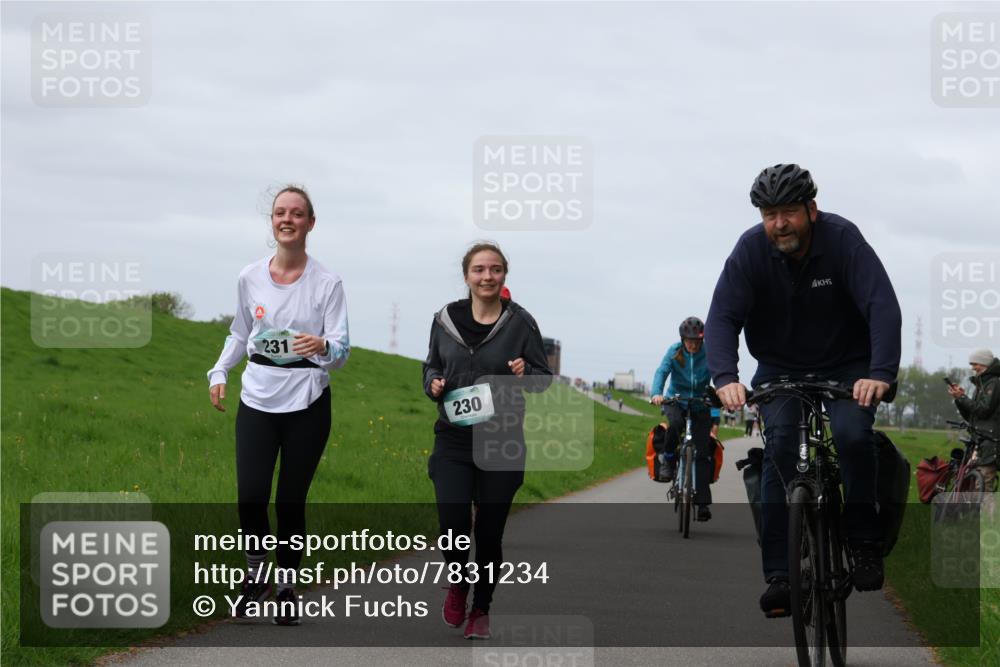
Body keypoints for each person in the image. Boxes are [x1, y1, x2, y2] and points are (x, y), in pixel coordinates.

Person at [706, 164, 902, 617]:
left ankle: (864, 543)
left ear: (811, 209)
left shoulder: (843, 240)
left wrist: (881, 372)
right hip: (779, 368)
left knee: (853, 436)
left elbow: (881, 305)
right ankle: (780, 574)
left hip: (848, 367)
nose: (779, 224)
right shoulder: (750, 252)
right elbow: (722, 318)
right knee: (779, 450)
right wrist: (725, 378)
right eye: (770, 214)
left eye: (789, 212)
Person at [207, 186, 350, 626]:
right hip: (258, 397)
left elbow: (341, 350)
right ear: (272, 222)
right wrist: (219, 371)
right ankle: (256, 575)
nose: (287, 219)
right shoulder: (249, 277)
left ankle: (286, 585)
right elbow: (239, 332)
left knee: (289, 501)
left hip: (307, 400)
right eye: (279, 213)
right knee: (250, 496)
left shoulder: (327, 283)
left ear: (311, 222)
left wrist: (321, 344)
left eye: (297, 213)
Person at [423, 242, 552, 640]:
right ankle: (459, 583)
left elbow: (542, 380)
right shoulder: (444, 319)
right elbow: (431, 365)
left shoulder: (521, 323)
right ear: (467, 276)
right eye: (479, 270)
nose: (487, 277)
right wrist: (433, 384)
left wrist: (524, 371)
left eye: (495, 270)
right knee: (454, 522)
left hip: (502, 439)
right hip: (454, 439)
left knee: (490, 532)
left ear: (504, 276)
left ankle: (482, 608)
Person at [650, 316, 715, 521]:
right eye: (689, 341)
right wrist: (656, 393)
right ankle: (668, 458)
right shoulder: (675, 351)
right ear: (683, 339)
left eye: (697, 342)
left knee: (703, 452)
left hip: (700, 403)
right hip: (676, 400)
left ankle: (703, 504)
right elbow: (662, 372)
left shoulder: (710, 353)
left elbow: (721, 373)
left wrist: (722, 393)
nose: (693, 345)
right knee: (676, 424)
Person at [946, 349, 999, 487]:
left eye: (975, 364)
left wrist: (962, 398)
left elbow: (983, 411)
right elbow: (971, 416)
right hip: (979, 442)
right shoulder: (981, 384)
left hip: (990, 444)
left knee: (983, 487)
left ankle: (986, 510)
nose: (973, 367)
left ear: (985, 363)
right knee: (971, 485)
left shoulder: (994, 383)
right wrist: (959, 399)